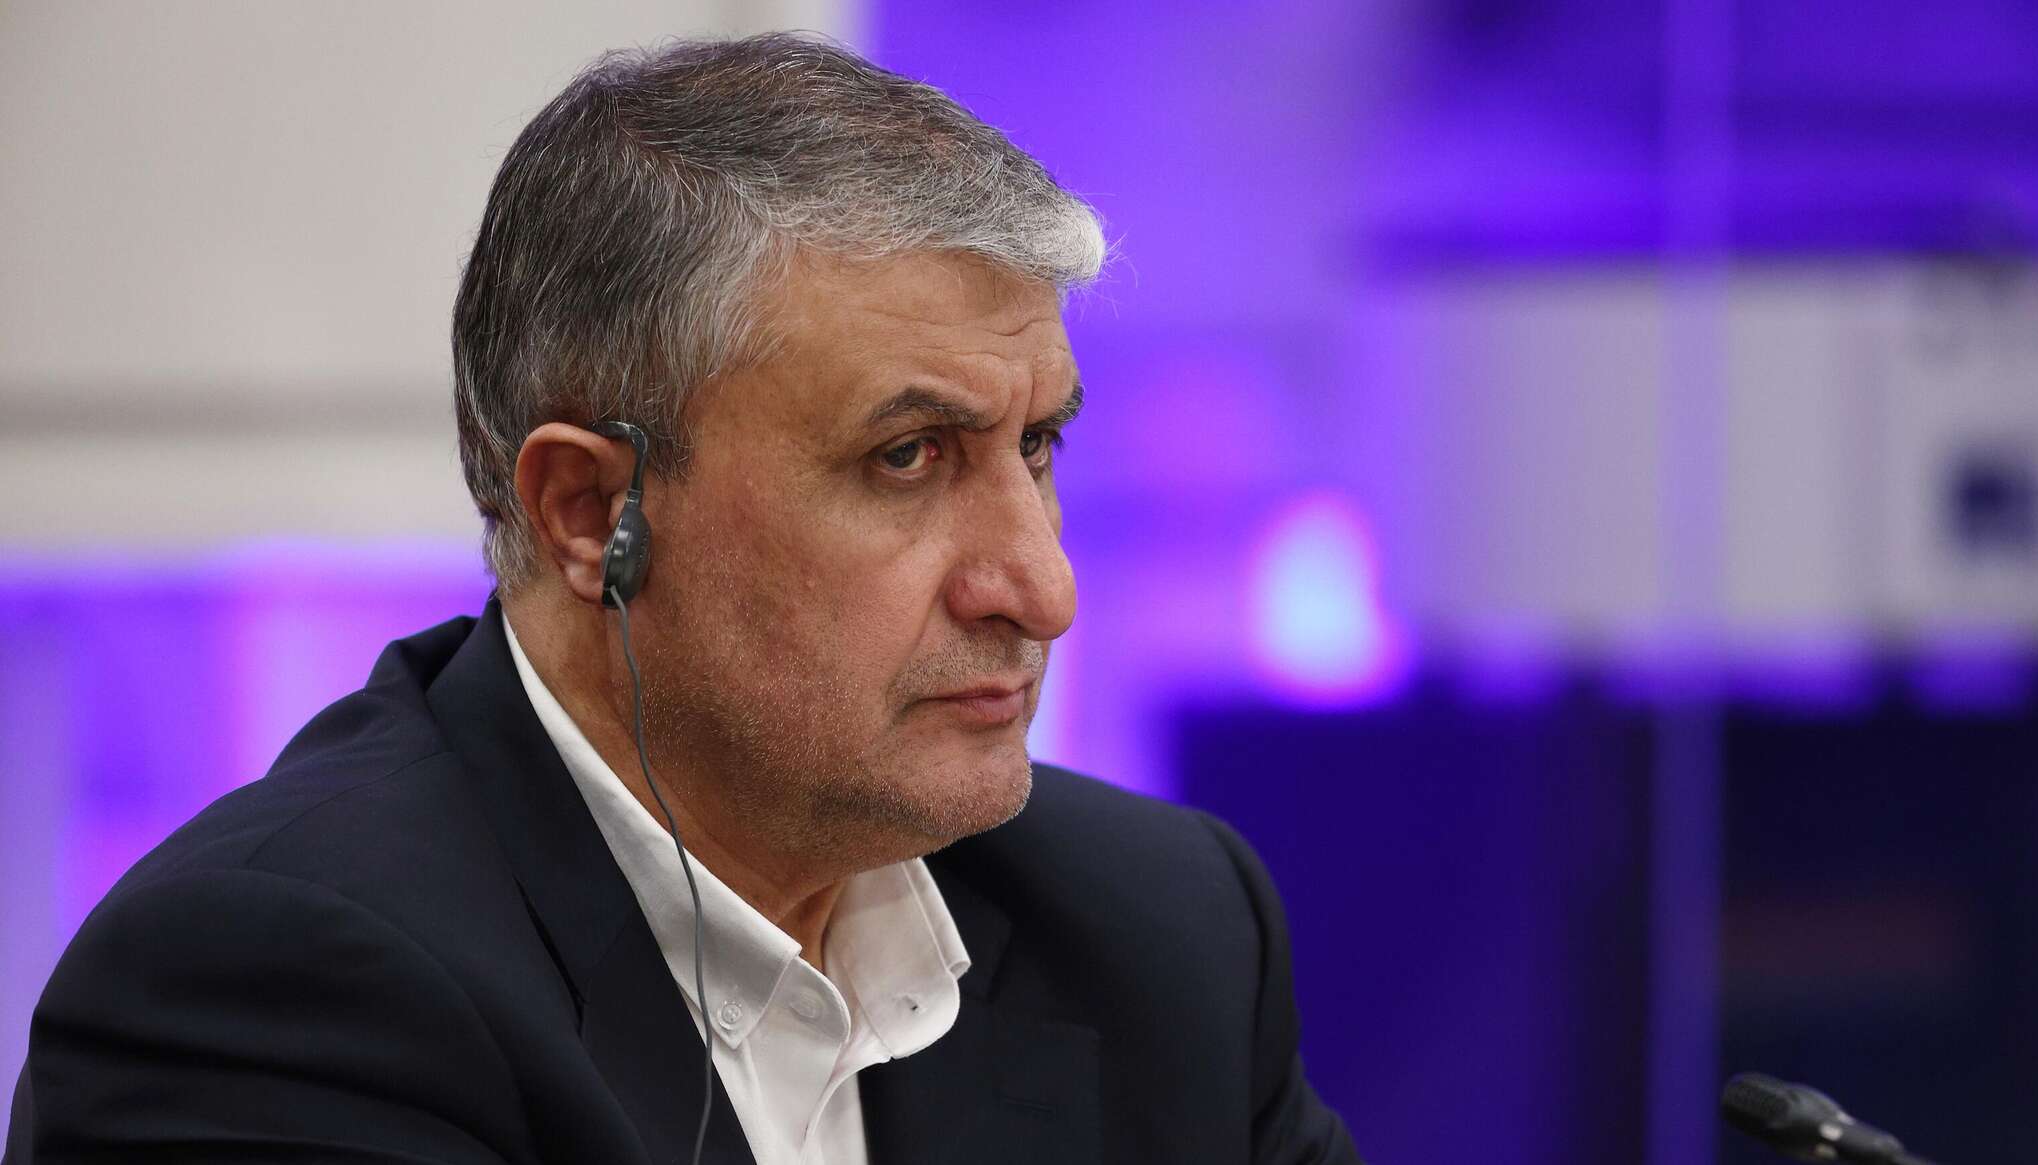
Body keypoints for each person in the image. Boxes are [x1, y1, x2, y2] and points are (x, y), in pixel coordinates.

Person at [4, 33, 1357, 1165]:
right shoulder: (277, 992)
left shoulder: (1161, 929)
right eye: (907, 456)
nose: (1043, 588)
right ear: (592, 513)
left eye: (1037, 445)